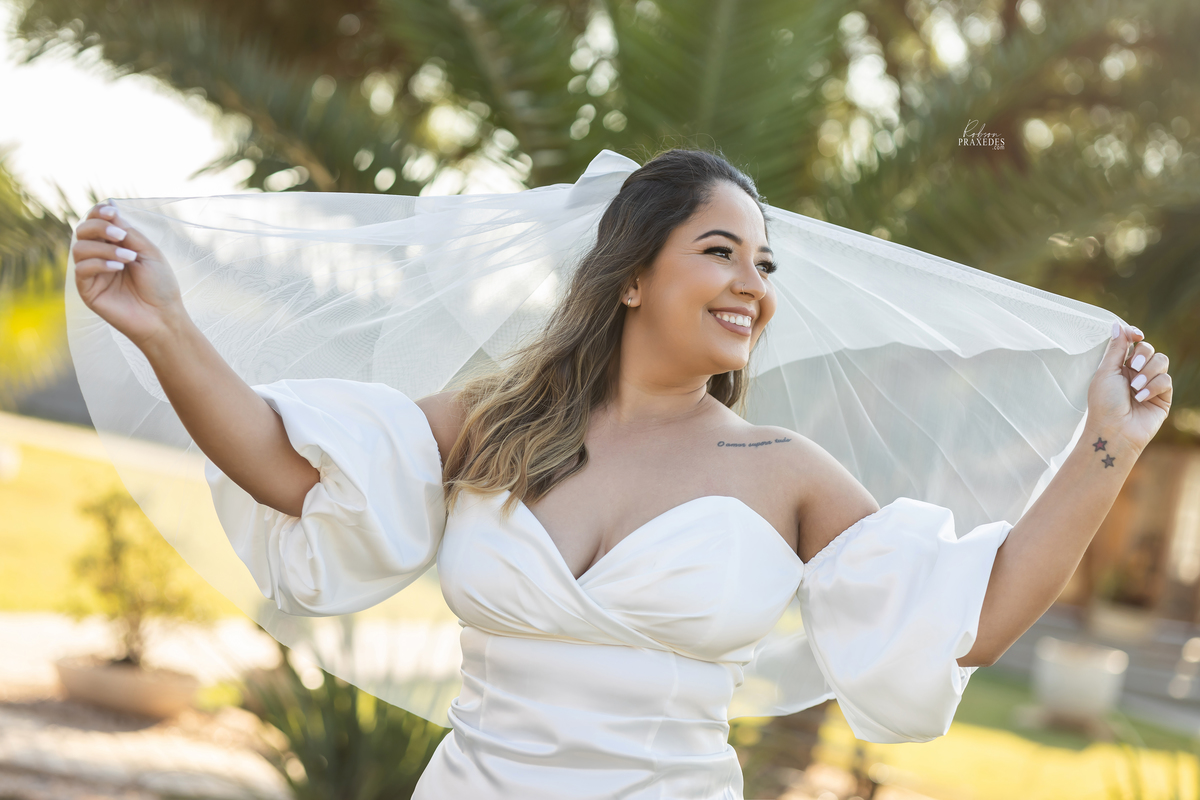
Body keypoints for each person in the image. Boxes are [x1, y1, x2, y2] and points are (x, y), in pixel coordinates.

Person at [70, 148, 1171, 799]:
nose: (754, 283)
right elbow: (283, 462)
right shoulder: (499, 418)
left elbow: (966, 620)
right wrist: (163, 322)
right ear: (632, 276)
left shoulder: (783, 470)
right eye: (720, 251)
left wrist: (1106, 444)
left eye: (766, 263)